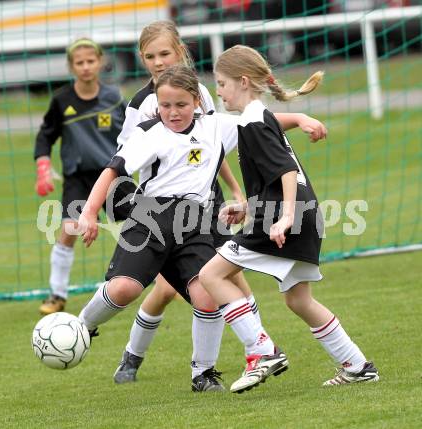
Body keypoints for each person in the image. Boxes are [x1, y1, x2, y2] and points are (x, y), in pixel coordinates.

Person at [111, 20, 328, 389]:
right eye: (150, 56)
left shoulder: (202, 96)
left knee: (217, 279)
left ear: (180, 51)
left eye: (165, 53)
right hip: (160, 206)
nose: (158, 62)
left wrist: (234, 191)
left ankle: (233, 360)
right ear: (142, 59)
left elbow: (213, 146)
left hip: (203, 202)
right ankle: (134, 357)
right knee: (171, 289)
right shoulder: (141, 104)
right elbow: (127, 157)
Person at [199, 45, 379, 393]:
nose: (218, 91)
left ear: (244, 81)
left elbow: (283, 172)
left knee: (211, 274)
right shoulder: (259, 117)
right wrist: (250, 209)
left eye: (221, 83)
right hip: (302, 216)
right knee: (298, 299)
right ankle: (358, 366)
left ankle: (262, 351)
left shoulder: (252, 122)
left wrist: (284, 217)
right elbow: (275, 177)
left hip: (287, 220)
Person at [76, 64, 253, 392]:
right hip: (149, 219)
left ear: (197, 102)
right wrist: (88, 213)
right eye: (165, 105)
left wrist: (301, 119)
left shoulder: (216, 127)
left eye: (181, 105)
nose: (172, 112)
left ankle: (203, 373)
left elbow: (259, 124)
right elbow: (112, 171)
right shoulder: (149, 133)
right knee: (124, 290)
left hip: (194, 223)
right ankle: (82, 326)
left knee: (207, 295)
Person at [34, 38, 134, 315]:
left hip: (113, 173)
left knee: (141, 226)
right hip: (78, 177)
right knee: (69, 229)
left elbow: (134, 132)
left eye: (91, 61)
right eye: (80, 62)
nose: (86, 67)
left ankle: (164, 282)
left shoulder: (114, 97)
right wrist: (43, 165)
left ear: (100, 62)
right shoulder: (61, 100)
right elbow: (45, 136)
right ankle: (57, 293)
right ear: (71, 66)